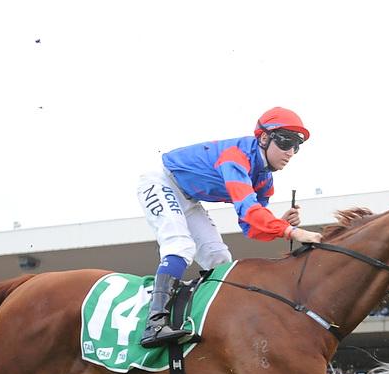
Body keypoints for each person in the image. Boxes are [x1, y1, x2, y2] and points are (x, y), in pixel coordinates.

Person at [137, 107, 323, 348]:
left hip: (189, 199)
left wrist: (283, 223)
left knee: (220, 259)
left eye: (296, 146)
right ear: (263, 138)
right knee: (180, 245)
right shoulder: (235, 157)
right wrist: (292, 232)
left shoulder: (265, 181)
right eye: (286, 142)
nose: (290, 152)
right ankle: (155, 324)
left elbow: (250, 226)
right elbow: (251, 212)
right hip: (161, 182)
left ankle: (213, 322)